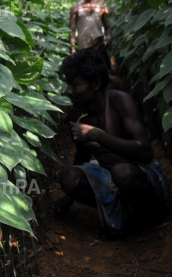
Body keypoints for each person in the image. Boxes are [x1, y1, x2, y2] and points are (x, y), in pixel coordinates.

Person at [55, 50, 169, 236]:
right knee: (68, 177)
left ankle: (152, 211)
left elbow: (145, 152)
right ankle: (127, 212)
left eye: (75, 85)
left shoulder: (120, 101)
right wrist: (70, 196)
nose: (68, 91)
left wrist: (96, 135)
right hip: (111, 178)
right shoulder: (77, 114)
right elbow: (82, 154)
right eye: (68, 84)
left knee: (122, 173)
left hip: (142, 174)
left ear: (96, 84)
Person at [70, 0, 112, 70]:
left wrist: (108, 36)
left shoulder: (103, 8)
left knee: (102, 71)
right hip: (83, 48)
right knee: (86, 73)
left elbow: (107, 27)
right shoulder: (76, 9)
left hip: (98, 46)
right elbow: (72, 29)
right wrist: (73, 48)